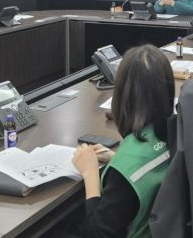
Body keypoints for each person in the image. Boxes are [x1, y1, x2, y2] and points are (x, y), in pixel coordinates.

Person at [72, 44, 173, 238]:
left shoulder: (124, 172)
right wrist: (118, 159)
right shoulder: (174, 132)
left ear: (123, 96)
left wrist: (90, 173)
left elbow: (97, 233)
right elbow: (148, 167)